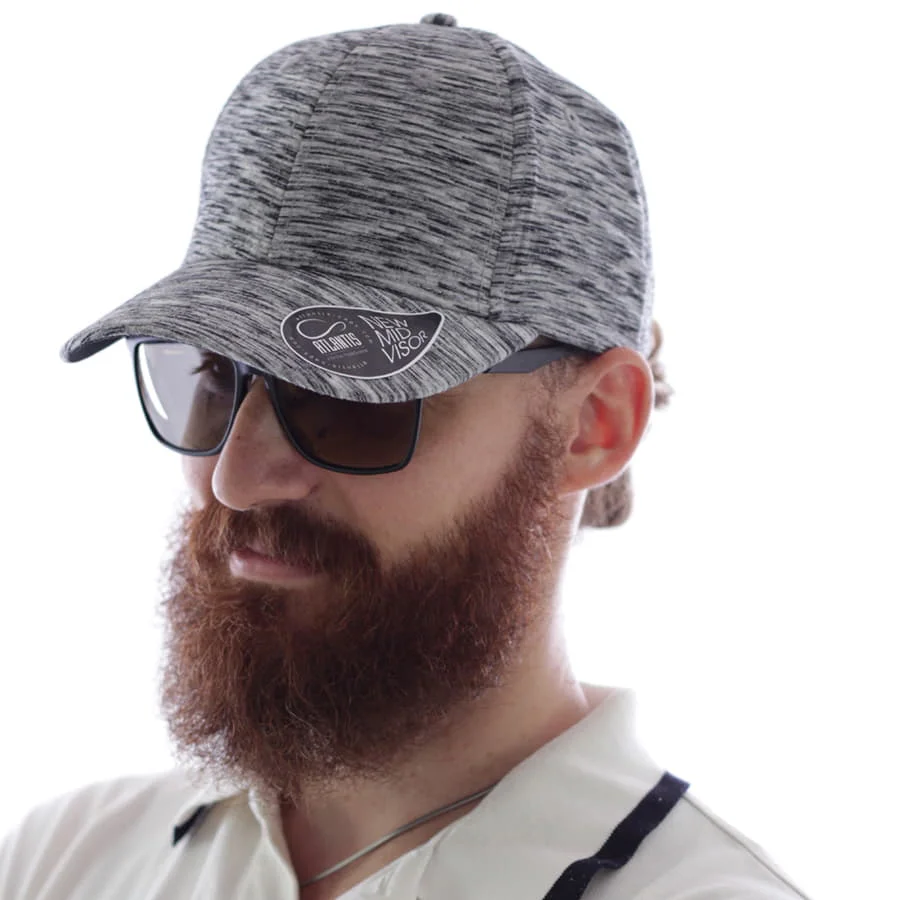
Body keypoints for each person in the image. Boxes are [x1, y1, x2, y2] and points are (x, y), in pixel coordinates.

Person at [0, 13, 812, 900]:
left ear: (592, 426)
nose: (235, 476)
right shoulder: (63, 861)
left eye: (351, 394)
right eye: (212, 375)